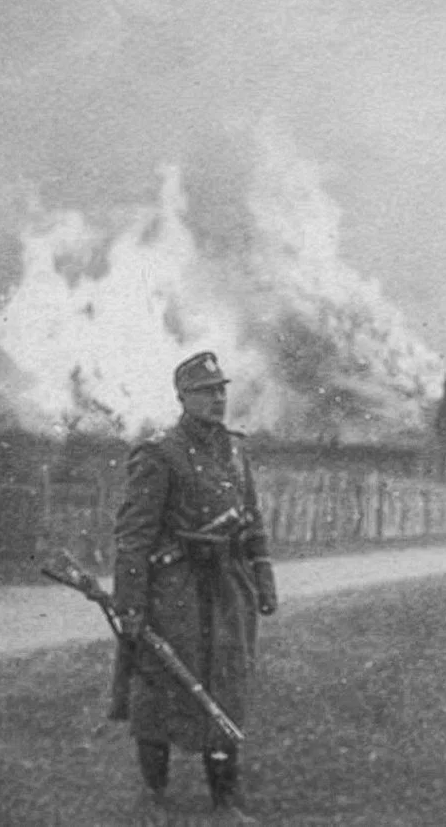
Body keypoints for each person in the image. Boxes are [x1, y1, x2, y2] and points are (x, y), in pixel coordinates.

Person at [112, 350, 277, 822]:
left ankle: (224, 801)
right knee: (159, 689)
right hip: (175, 593)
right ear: (182, 397)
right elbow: (134, 536)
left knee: (227, 686)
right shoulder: (158, 452)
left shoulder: (235, 450)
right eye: (207, 391)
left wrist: (264, 581)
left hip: (228, 591)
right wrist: (131, 605)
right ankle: (154, 794)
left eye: (222, 389)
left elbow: (253, 521)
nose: (218, 398)